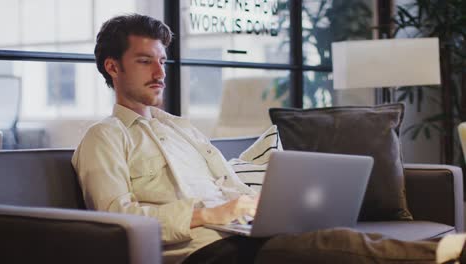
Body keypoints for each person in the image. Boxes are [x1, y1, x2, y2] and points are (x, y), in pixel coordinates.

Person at [72, 13, 461, 264]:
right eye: (145, 60)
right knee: (329, 248)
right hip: (199, 250)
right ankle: (443, 253)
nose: (160, 71)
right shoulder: (104, 138)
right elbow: (116, 217)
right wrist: (208, 214)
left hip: (240, 233)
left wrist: (266, 207)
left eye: (163, 60)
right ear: (113, 66)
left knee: (326, 236)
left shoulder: (182, 129)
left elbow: (230, 185)